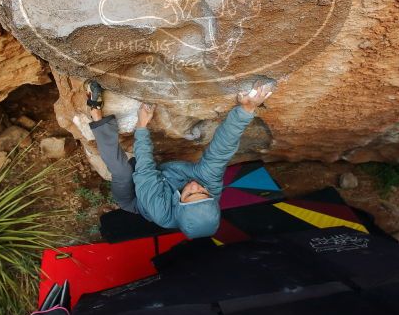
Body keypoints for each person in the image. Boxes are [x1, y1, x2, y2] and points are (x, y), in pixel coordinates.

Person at [86, 81, 274, 239]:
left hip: (136, 196)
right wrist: (246, 109)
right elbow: (221, 151)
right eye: (203, 192)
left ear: (179, 203)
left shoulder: (160, 211)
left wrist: (142, 125)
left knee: (121, 170)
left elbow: (144, 171)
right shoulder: (209, 186)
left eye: (190, 194)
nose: (195, 186)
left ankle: (95, 111)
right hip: (167, 174)